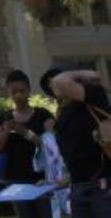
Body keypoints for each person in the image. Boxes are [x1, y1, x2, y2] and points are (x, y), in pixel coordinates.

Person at [42, 64, 111, 218]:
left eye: (54, 81)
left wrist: (84, 73)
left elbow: (60, 82)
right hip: (78, 191)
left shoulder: (93, 97)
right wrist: (54, 184)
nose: (54, 86)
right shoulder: (64, 116)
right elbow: (78, 162)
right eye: (50, 86)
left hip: (104, 190)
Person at [0, 70, 54, 218]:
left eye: (22, 91)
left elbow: (52, 147)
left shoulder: (42, 115)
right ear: (8, 93)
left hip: (42, 178)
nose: (18, 95)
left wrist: (26, 132)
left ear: (29, 90)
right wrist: (5, 131)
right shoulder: (4, 117)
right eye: (14, 92)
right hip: (16, 180)